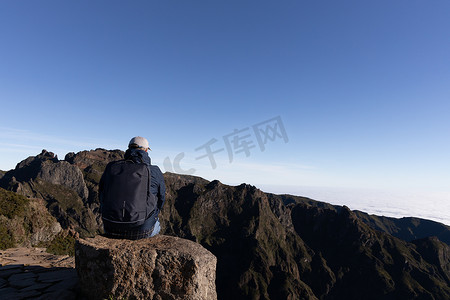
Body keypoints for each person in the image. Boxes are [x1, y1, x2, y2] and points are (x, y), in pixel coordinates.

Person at [99, 136, 166, 239]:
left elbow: (101, 194)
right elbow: (161, 199)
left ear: (129, 148)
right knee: (158, 224)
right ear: (147, 150)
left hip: (110, 228)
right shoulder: (154, 170)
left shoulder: (111, 167)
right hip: (142, 231)